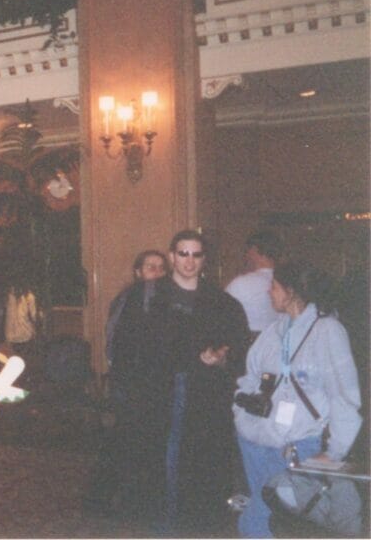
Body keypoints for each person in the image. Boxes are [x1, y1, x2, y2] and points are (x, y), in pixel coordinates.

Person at [107, 229, 249, 535]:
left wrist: (221, 356)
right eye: (183, 254)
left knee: (198, 467)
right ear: (172, 256)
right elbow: (125, 346)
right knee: (158, 467)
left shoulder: (221, 302)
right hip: (156, 394)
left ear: (204, 259)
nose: (189, 261)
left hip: (204, 397)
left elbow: (237, 345)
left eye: (195, 255)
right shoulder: (146, 295)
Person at [234, 260, 362, 538]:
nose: (269, 292)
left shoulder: (328, 331)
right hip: (255, 441)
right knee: (260, 512)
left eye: (274, 286)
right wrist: (240, 414)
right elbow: (249, 377)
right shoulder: (274, 331)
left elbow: (345, 396)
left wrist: (335, 452)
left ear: (291, 291)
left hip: (297, 446)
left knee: (276, 520)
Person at [84, 248, 168, 516]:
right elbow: (113, 338)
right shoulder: (126, 299)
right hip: (130, 380)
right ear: (138, 271)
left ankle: (143, 497)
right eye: (149, 266)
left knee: (150, 440)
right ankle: (115, 497)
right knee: (126, 437)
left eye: (159, 267)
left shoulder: (170, 300)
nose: (155, 271)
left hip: (157, 382)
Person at [226, 230, 285, 340]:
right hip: (281, 345)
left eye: (247, 251)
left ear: (254, 251)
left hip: (248, 346)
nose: (246, 256)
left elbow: (220, 315)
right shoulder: (287, 282)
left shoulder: (241, 284)